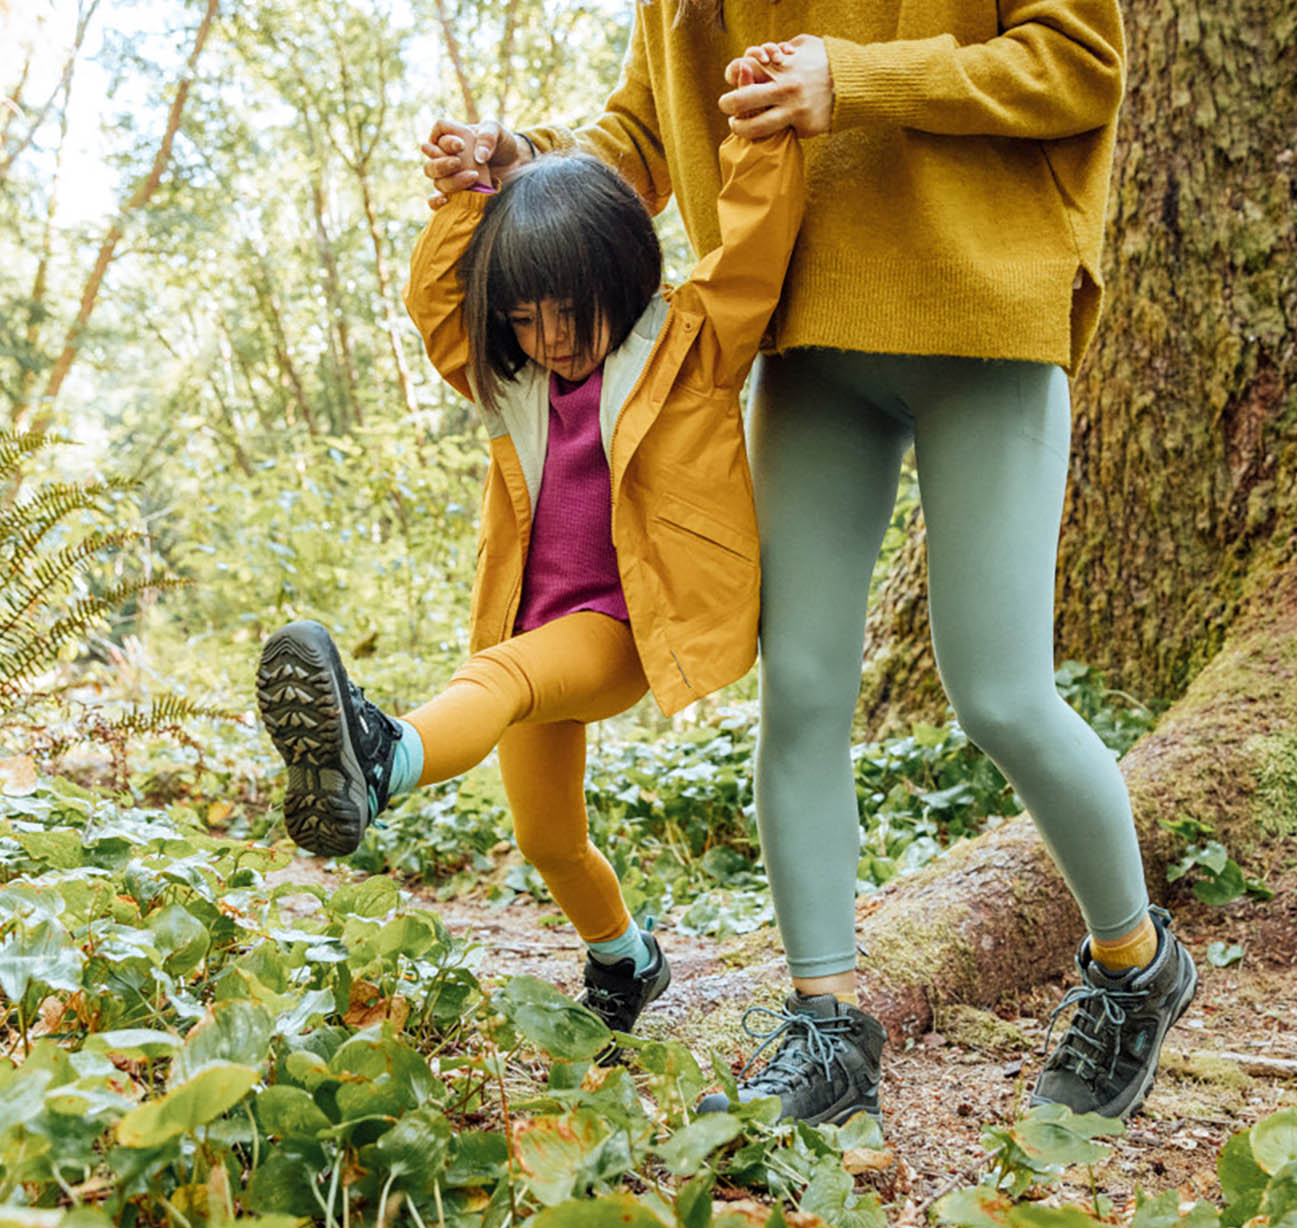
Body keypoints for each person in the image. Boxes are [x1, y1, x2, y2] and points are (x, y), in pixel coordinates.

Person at [420, 3, 1193, 1128]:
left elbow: (1078, 65)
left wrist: (858, 80)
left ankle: (1137, 965)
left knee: (1001, 694)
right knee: (805, 692)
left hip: (984, 319)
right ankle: (828, 1026)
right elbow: (637, 138)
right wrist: (522, 162)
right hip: (808, 346)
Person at [257, 110, 805, 1056]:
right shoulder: (512, 385)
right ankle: (626, 960)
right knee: (547, 838)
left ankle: (380, 759)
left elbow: (756, 251)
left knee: (496, 682)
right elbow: (438, 305)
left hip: (626, 624)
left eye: (566, 312)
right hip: (534, 619)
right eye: (523, 317)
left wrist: (767, 134)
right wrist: (465, 196)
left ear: (620, 277)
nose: (548, 337)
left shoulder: (689, 349)